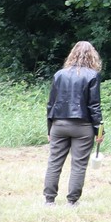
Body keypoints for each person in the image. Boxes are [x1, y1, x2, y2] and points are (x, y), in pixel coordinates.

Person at [45, 42, 104, 206]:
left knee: (54, 162)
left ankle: (49, 200)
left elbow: (51, 104)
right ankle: (72, 201)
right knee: (79, 165)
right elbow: (94, 106)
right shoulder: (92, 75)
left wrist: (49, 129)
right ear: (92, 55)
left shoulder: (59, 75)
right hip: (83, 127)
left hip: (58, 124)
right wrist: (100, 131)